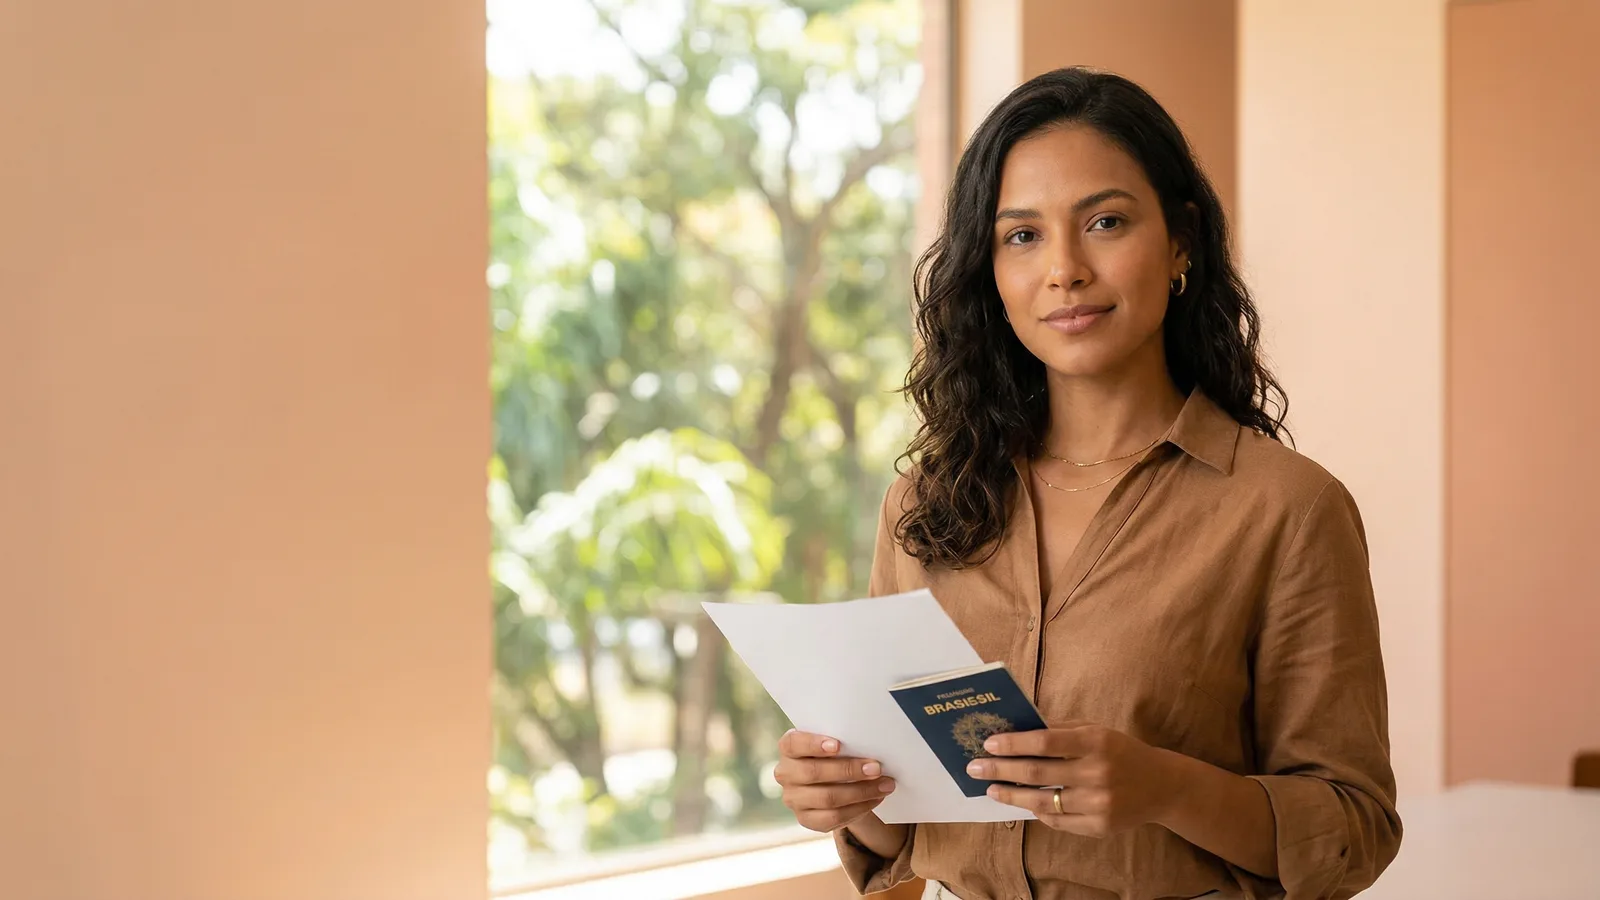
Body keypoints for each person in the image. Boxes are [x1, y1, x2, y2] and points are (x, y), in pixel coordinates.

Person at [771, 68, 1401, 900]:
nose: (1063, 270)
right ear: (987, 271)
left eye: (1105, 222)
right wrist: (848, 796)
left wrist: (1167, 789)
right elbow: (913, 831)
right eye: (1021, 236)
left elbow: (1353, 827)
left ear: (1181, 242)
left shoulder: (1287, 510)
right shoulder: (923, 507)